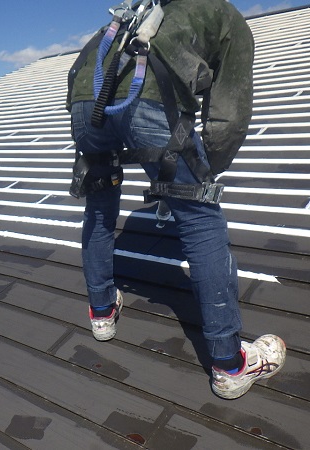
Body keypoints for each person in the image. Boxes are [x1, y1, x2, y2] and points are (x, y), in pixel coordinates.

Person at [67, 0, 285, 399]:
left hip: (87, 103)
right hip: (148, 95)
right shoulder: (223, 15)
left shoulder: (139, 8)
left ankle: (101, 312)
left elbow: (80, 69)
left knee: (99, 203)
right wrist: (205, 173)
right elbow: (228, 115)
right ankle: (230, 364)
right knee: (202, 220)